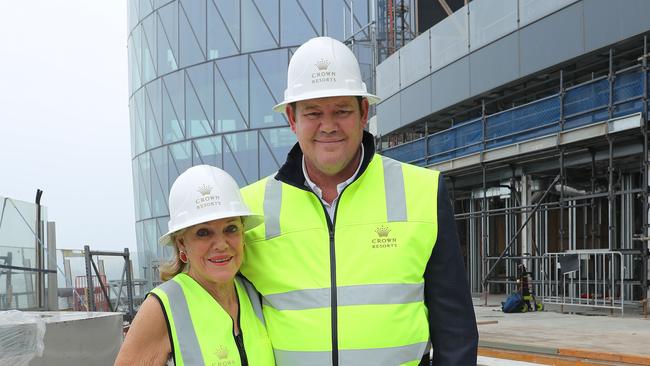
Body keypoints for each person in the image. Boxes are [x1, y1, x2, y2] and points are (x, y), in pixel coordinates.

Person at [240, 37, 478, 365]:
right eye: (313, 113)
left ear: (363, 112)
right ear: (292, 120)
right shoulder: (248, 210)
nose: (328, 126)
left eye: (341, 111)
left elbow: (455, 328)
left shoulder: (423, 191)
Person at [115, 165, 275, 366]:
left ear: (243, 233)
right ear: (182, 243)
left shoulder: (254, 293)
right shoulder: (163, 307)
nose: (221, 245)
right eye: (203, 233)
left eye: (231, 228)